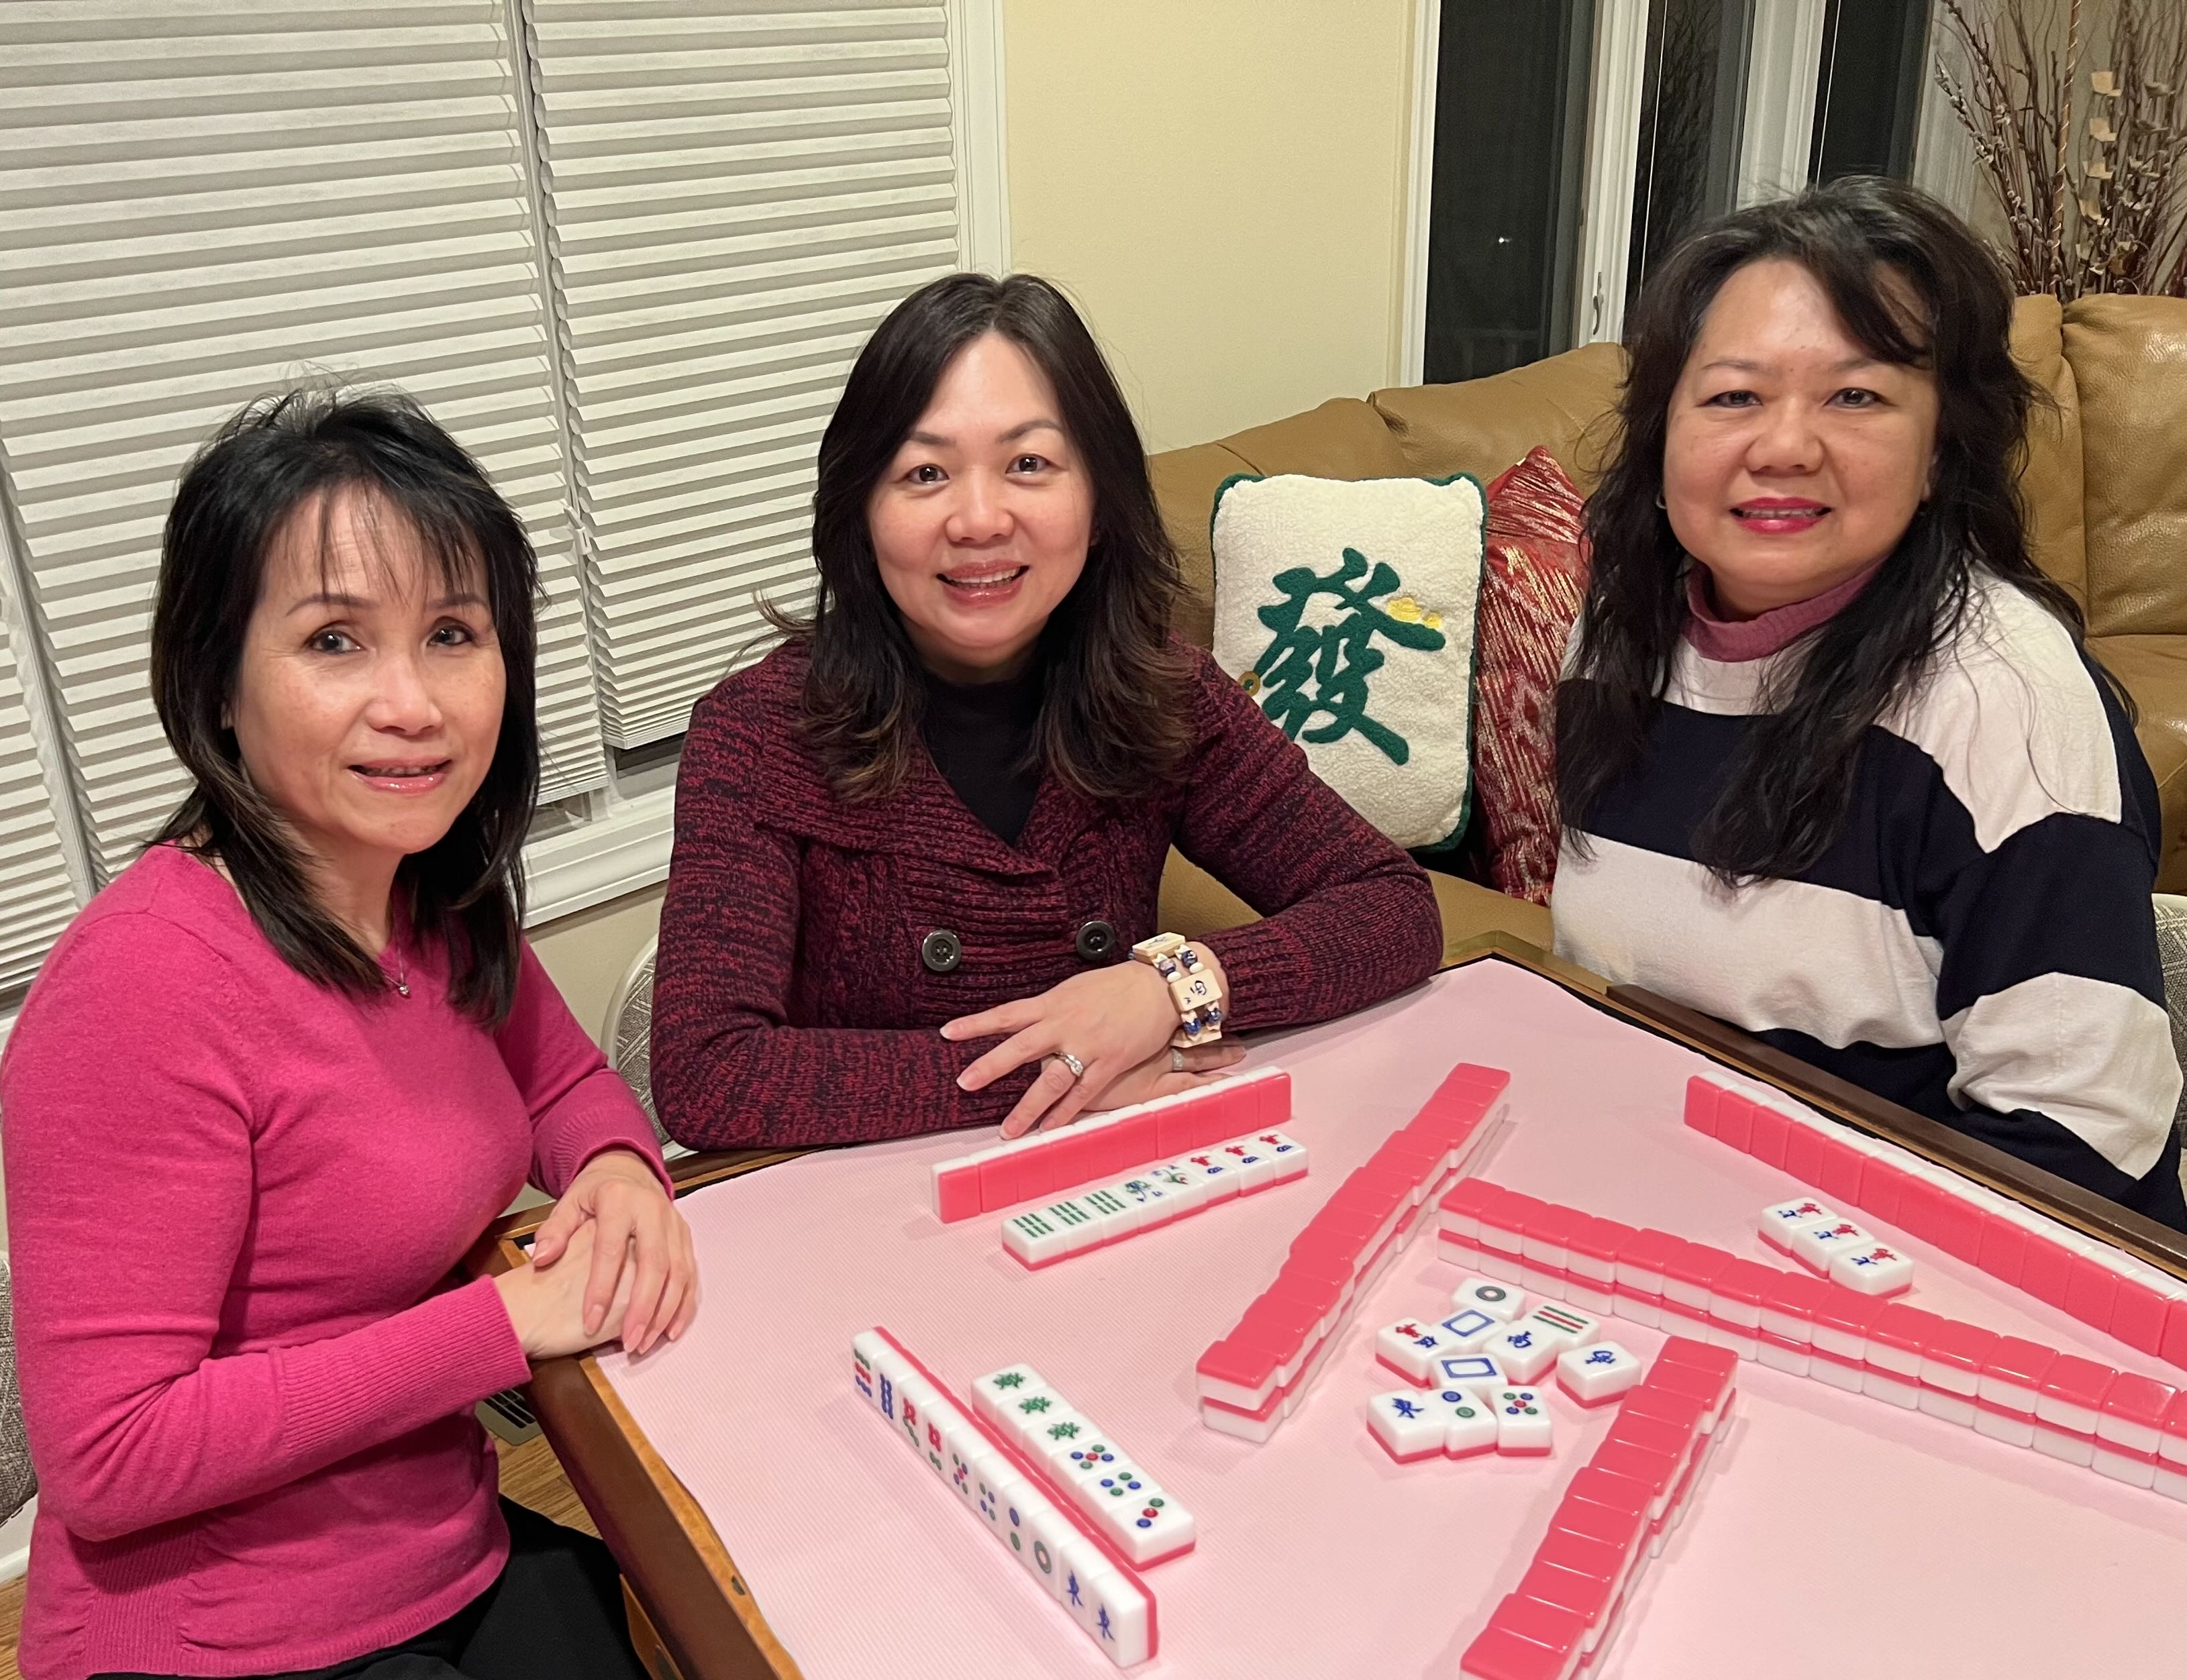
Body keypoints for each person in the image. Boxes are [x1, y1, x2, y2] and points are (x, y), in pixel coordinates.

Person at [1, 388, 701, 1679]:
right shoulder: (138, 991)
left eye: (452, 633)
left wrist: (616, 1166)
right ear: (216, 683)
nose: (414, 703)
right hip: (224, 1640)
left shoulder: (430, 891)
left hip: (450, 1551)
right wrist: (503, 1325)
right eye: (335, 641)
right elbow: (104, 1456)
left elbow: (558, 1078)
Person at [652, 274, 1443, 1148]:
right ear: (860, 515)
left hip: (1117, 1182)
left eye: (1029, 464)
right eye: (925, 473)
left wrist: (1167, 991)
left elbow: (1392, 907)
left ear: (1099, 501)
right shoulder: (757, 733)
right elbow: (708, 1072)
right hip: (882, 1211)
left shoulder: (1164, 694)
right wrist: (1068, 1071)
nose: (981, 519)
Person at [1554, 177, 2186, 1229]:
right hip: (1669, 1197)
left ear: (1942, 448)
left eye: (1857, 396)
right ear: (1663, 433)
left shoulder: (2005, 701)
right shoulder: (1617, 632)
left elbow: (2083, 1152)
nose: (1785, 446)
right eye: (1733, 395)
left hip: (1903, 1264)